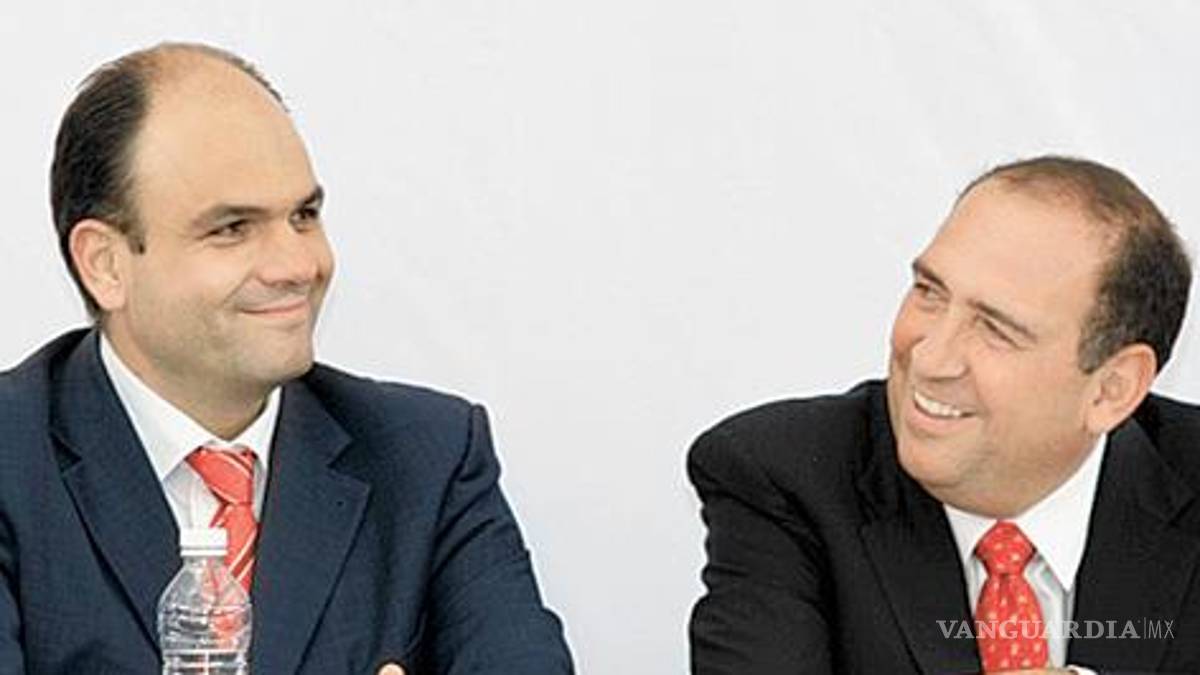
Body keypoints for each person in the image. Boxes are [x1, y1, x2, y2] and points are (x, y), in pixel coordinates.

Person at [0, 42, 573, 674]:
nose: (297, 265)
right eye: (232, 229)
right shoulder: (12, 458)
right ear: (105, 264)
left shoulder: (428, 458)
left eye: (304, 215)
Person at [688, 156, 1200, 673]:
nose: (929, 359)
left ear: (1112, 389)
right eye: (930, 293)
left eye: (996, 329)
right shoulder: (785, 477)